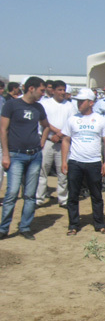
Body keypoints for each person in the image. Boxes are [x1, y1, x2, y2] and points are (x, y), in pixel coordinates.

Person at [0, 77, 50, 240]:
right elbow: (3, 129)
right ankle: (4, 228)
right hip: (16, 155)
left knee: (30, 194)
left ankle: (25, 227)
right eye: (41, 90)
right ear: (31, 89)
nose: (43, 93)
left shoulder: (38, 107)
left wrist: (42, 142)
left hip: (34, 155)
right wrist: (6, 154)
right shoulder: (11, 105)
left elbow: (46, 125)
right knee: (12, 193)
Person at [61, 88, 105, 236]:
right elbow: (66, 140)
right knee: (73, 195)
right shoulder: (72, 119)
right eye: (77, 101)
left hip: (94, 162)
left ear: (91, 102)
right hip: (75, 161)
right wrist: (64, 161)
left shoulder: (100, 120)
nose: (79, 104)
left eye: (82, 101)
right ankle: (73, 224)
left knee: (96, 195)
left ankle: (99, 224)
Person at [36, 80, 74, 208]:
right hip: (47, 141)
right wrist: (56, 132)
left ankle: (63, 199)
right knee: (42, 170)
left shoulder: (69, 106)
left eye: (64, 90)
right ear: (53, 91)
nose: (62, 92)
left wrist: (60, 135)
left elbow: (71, 124)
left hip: (63, 142)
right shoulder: (44, 104)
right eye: (60, 90)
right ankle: (39, 198)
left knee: (63, 171)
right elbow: (43, 122)